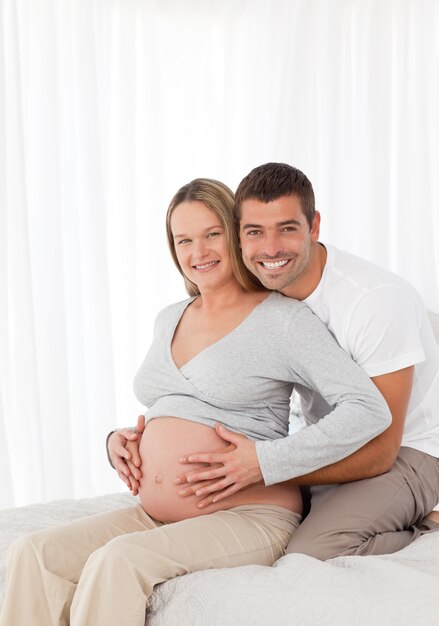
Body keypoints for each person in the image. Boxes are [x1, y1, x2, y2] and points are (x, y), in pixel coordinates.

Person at [0, 179, 391, 626]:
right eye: (183, 239)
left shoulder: (282, 320)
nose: (198, 251)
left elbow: (367, 408)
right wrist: (117, 443)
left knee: (118, 561)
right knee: (33, 553)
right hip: (159, 516)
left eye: (211, 234)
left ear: (235, 232)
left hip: (251, 514)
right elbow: (172, 404)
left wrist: (267, 460)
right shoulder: (170, 318)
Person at [172, 163, 439, 560]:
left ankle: (427, 532)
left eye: (287, 228)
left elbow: (382, 449)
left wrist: (268, 465)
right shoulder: (262, 297)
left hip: (409, 451)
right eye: (254, 232)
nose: (271, 248)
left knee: (312, 552)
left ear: (314, 226)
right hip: (331, 443)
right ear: (239, 237)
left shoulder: (374, 301)